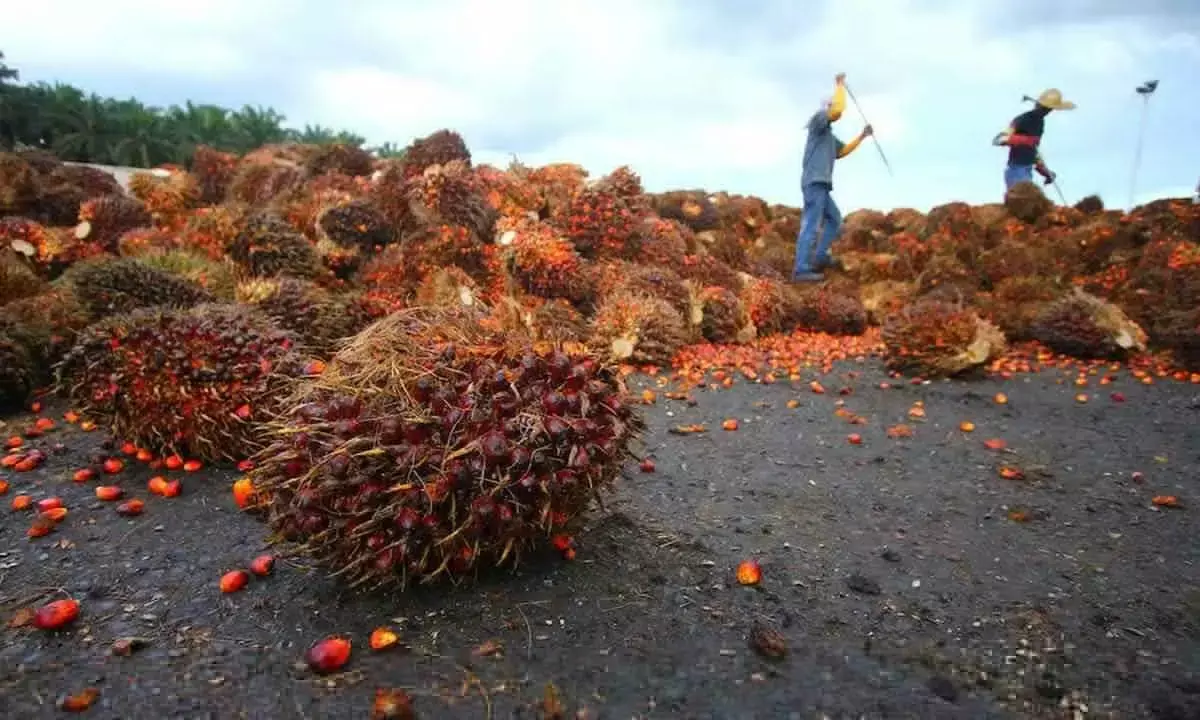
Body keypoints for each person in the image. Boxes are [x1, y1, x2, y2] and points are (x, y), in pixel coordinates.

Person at [792, 72, 873, 283]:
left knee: (834, 219)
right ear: (826, 108)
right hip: (813, 182)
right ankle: (801, 269)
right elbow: (837, 110)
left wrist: (862, 137)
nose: (833, 112)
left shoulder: (828, 135)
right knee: (811, 222)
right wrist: (840, 86)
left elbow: (842, 151)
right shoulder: (818, 122)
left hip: (822, 184)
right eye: (830, 107)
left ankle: (819, 256)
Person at [994, 88, 1075, 192]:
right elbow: (999, 139)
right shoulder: (1022, 119)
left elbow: (1033, 150)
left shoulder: (1040, 123)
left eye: (1050, 109)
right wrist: (1025, 140)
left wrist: (1044, 171)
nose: (1047, 111)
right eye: (1046, 108)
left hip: (1026, 170)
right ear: (1039, 105)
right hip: (1016, 171)